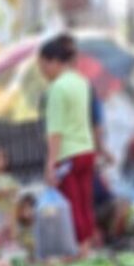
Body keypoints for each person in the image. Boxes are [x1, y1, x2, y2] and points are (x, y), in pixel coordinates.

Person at [38, 33, 96, 252]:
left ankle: (80, 252)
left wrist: (50, 164)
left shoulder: (57, 88)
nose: (42, 71)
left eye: (43, 65)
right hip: (86, 150)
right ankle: (87, 248)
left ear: (53, 61)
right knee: (85, 203)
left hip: (67, 154)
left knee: (71, 205)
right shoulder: (82, 82)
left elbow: (56, 130)